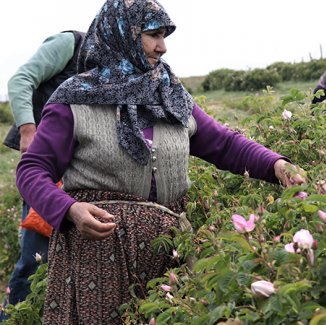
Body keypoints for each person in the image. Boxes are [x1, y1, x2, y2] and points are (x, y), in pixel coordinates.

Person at [15, 0, 305, 323]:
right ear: (122, 33)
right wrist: (69, 210)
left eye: (164, 35)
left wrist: (277, 164)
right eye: (153, 34)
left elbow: (224, 144)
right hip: (96, 263)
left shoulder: (170, 96)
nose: (162, 47)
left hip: (168, 259)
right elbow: (31, 171)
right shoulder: (76, 100)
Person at [0, 30, 83, 320]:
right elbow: (20, 80)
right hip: (46, 165)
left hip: (78, 166)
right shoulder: (70, 43)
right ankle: (14, 317)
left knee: (70, 253)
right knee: (36, 256)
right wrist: (28, 129)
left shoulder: (118, 64)